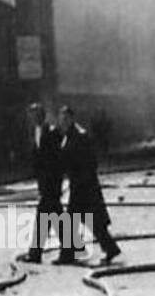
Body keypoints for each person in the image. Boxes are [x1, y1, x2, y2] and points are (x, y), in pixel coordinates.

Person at [57, 105, 122, 266]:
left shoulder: (80, 135)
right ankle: (110, 248)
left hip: (84, 186)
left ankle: (68, 254)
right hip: (78, 185)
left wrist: (81, 180)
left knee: (75, 220)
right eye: (61, 118)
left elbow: (89, 162)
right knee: (92, 222)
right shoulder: (69, 135)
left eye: (66, 118)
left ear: (72, 118)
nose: (63, 121)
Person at [17, 103, 65, 264]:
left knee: (44, 216)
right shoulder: (36, 132)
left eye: (34, 114)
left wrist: (55, 182)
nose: (31, 118)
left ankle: (36, 253)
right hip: (45, 183)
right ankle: (71, 248)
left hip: (51, 183)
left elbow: (57, 160)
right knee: (55, 215)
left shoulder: (50, 132)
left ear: (41, 116)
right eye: (30, 115)